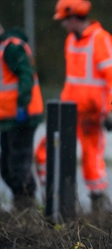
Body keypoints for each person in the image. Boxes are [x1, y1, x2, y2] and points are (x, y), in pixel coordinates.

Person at [34, 0, 112, 210]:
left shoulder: (100, 39)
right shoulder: (71, 41)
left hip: (91, 114)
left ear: (73, 17)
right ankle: (52, 200)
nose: (63, 25)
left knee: (91, 160)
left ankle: (98, 206)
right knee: (45, 151)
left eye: (64, 20)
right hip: (68, 110)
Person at [0, 22, 44, 210]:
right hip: (8, 118)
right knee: (8, 166)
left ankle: (27, 206)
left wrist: (22, 105)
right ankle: (23, 202)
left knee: (17, 164)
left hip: (22, 116)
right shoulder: (5, 48)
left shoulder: (11, 48)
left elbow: (26, 74)